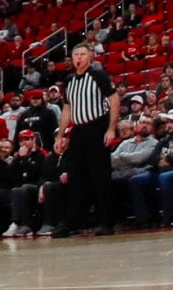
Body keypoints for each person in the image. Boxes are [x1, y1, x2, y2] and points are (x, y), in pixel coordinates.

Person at [58, 41, 119, 234]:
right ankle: (74, 222)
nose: (78, 58)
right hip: (78, 130)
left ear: (90, 57)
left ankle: (106, 222)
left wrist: (111, 129)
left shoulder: (98, 75)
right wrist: (60, 135)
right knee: (75, 178)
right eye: (76, 55)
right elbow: (67, 109)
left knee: (101, 176)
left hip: (97, 127)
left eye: (82, 54)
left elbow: (114, 100)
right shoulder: (68, 81)